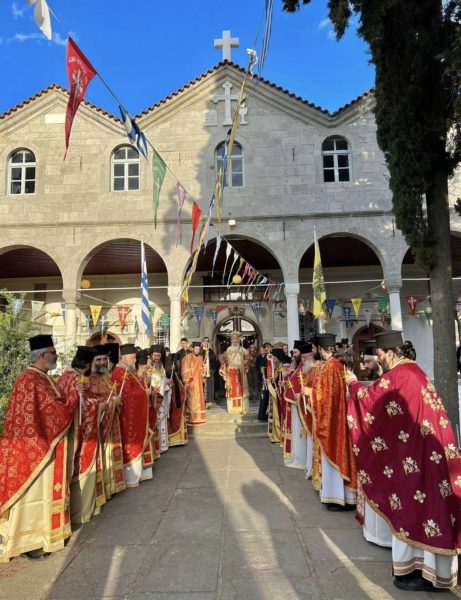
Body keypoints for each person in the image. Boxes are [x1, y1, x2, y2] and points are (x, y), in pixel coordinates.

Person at [345, 330, 461, 592]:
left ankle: (424, 574)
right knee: (430, 507)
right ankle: (429, 570)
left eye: (380, 354)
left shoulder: (398, 375)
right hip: (429, 451)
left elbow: (370, 400)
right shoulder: (414, 371)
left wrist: (352, 384)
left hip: (418, 455)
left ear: (389, 353)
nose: (378, 359)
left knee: (415, 507)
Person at [0, 335, 78, 562]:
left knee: (42, 494)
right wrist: (73, 399)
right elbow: (54, 412)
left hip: (42, 447)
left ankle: (43, 536)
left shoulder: (42, 378)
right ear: (43, 355)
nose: (56, 356)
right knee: (32, 494)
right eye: (53, 353)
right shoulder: (30, 380)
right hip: (33, 451)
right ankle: (29, 541)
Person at [58, 345, 106, 525]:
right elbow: (86, 407)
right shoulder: (77, 380)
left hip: (69, 434)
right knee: (80, 469)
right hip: (81, 436)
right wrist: (103, 405)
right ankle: (82, 512)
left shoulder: (65, 377)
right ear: (86, 365)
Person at [310, 333, 357, 510]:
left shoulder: (331, 367)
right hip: (333, 416)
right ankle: (336, 495)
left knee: (335, 453)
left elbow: (325, 395)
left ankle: (338, 497)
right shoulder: (330, 365)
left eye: (315, 348)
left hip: (332, 419)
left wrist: (310, 394)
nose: (314, 351)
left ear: (321, 349)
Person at [88, 345, 125, 501]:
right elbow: (90, 404)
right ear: (92, 361)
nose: (102, 362)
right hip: (100, 424)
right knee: (103, 456)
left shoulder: (106, 377)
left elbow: (112, 394)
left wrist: (117, 401)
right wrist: (111, 403)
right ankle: (105, 488)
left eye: (104, 359)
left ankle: (112, 486)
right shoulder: (88, 379)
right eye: (99, 360)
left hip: (112, 421)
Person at [112, 344, 153, 487]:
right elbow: (128, 396)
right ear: (125, 357)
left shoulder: (127, 371)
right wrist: (145, 393)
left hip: (134, 416)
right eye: (133, 358)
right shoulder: (119, 372)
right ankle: (131, 478)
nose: (135, 361)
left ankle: (139, 474)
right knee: (131, 443)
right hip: (127, 417)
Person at [219, 331, 250, 415]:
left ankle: (242, 408)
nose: (235, 342)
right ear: (231, 341)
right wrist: (224, 368)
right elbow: (225, 361)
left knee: (241, 389)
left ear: (238, 341)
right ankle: (232, 409)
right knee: (232, 389)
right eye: (233, 340)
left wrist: (245, 363)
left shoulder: (243, 349)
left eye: (236, 340)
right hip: (231, 372)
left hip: (240, 372)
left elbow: (248, 359)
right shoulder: (228, 349)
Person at [149, 344, 170, 454]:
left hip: (163, 396)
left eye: (159, 356)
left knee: (162, 420)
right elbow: (149, 382)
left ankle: (163, 445)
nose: (157, 358)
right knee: (156, 421)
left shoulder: (161, 366)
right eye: (155, 356)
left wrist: (167, 383)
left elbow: (163, 378)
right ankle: (156, 447)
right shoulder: (148, 367)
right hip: (154, 398)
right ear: (151, 356)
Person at [182, 341, 206, 426]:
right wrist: (186, 381)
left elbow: (202, 368)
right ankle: (191, 419)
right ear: (192, 349)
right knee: (192, 401)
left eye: (198, 349)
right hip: (191, 383)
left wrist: (203, 373)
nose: (197, 351)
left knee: (199, 400)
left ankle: (199, 418)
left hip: (199, 382)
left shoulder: (200, 358)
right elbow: (185, 370)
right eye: (196, 349)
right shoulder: (187, 358)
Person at [256, 342, 272, 421]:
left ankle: (265, 415)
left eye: (265, 349)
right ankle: (262, 415)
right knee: (264, 397)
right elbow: (258, 366)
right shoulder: (260, 357)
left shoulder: (269, 356)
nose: (264, 351)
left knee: (266, 397)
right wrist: (261, 370)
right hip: (263, 378)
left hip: (268, 378)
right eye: (262, 350)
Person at [201, 337, 218, 408]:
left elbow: (215, 362)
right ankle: (202, 402)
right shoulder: (200, 351)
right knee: (202, 387)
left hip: (209, 372)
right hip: (201, 372)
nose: (206, 342)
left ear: (209, 343)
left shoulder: (211, 351)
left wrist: (212, 370)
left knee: (209, 387)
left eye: (207, 341)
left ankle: (208, 402)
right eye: (204, 341)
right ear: (202, 342)